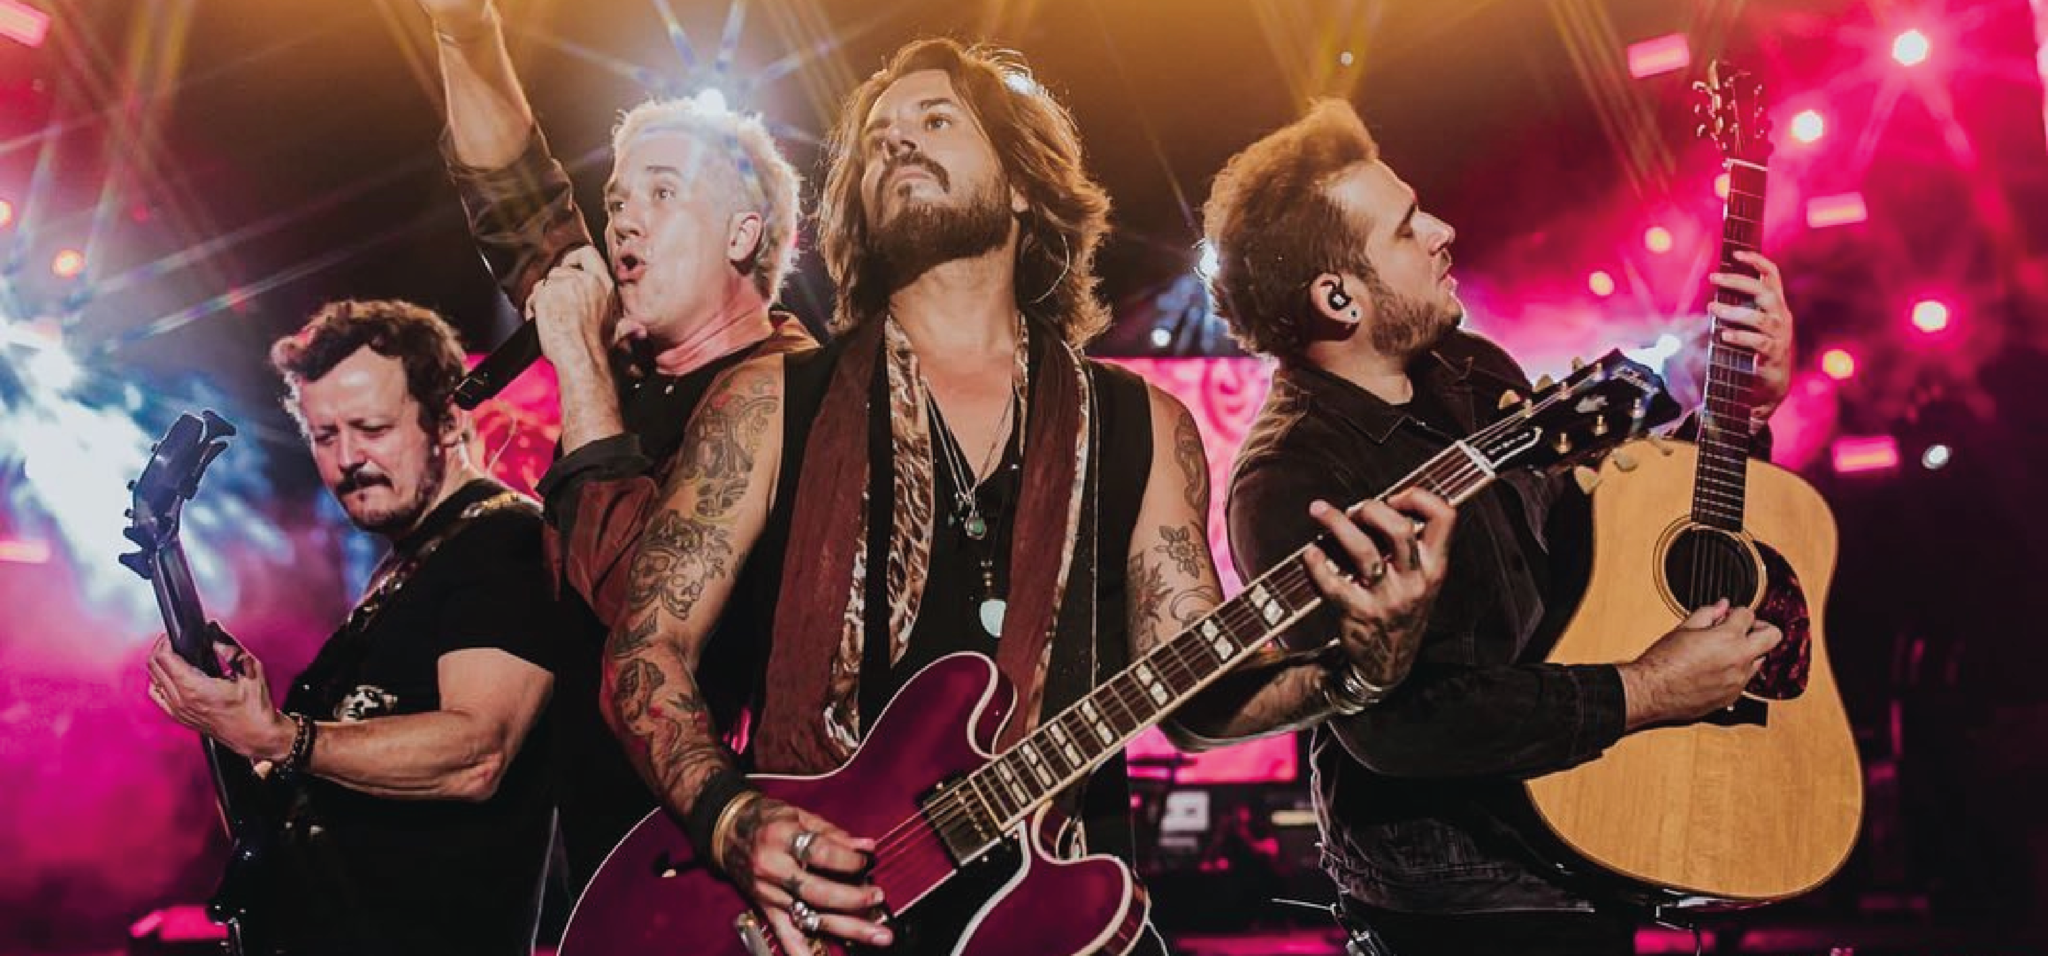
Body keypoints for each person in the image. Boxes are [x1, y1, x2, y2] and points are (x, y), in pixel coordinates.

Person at [598, 40, 1444, 956]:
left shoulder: (1142, 427)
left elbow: (1197, 699)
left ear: (1023, 188)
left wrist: (1357, 672)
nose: (898, 141)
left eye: (936, 120)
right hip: (802, 917)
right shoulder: (768, 403)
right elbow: (646, 649)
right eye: (878, 138)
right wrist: (732, 819)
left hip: (1054, 921)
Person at [1198, 99, 1799, 956]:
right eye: (1407, 227)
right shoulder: (1291, 478)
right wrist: (1647, 690)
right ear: (1338, 297)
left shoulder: (1474, 372)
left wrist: (1741, 414)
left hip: (1589, 837)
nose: (1443, 231)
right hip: (1460, 897)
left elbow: (1600, 562)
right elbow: (1399, 724)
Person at [415, 0, 810, 886]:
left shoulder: (796, 393)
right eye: (618, 200)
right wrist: (463, 31)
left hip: (722, 869)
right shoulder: (626, 357)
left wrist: (582, 370)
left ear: (743, 234)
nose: (624, 222)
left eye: (663, 194)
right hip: (606, 868)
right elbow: (515, 196)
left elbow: (645, 612)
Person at [145, 299, 561, 956]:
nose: (347, 458)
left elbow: (478, 753)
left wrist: (281, 735)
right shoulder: (407, 564)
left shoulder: (504, 542)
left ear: (448, 420)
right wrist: (235, 725)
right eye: (324, 435)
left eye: (371, 428)